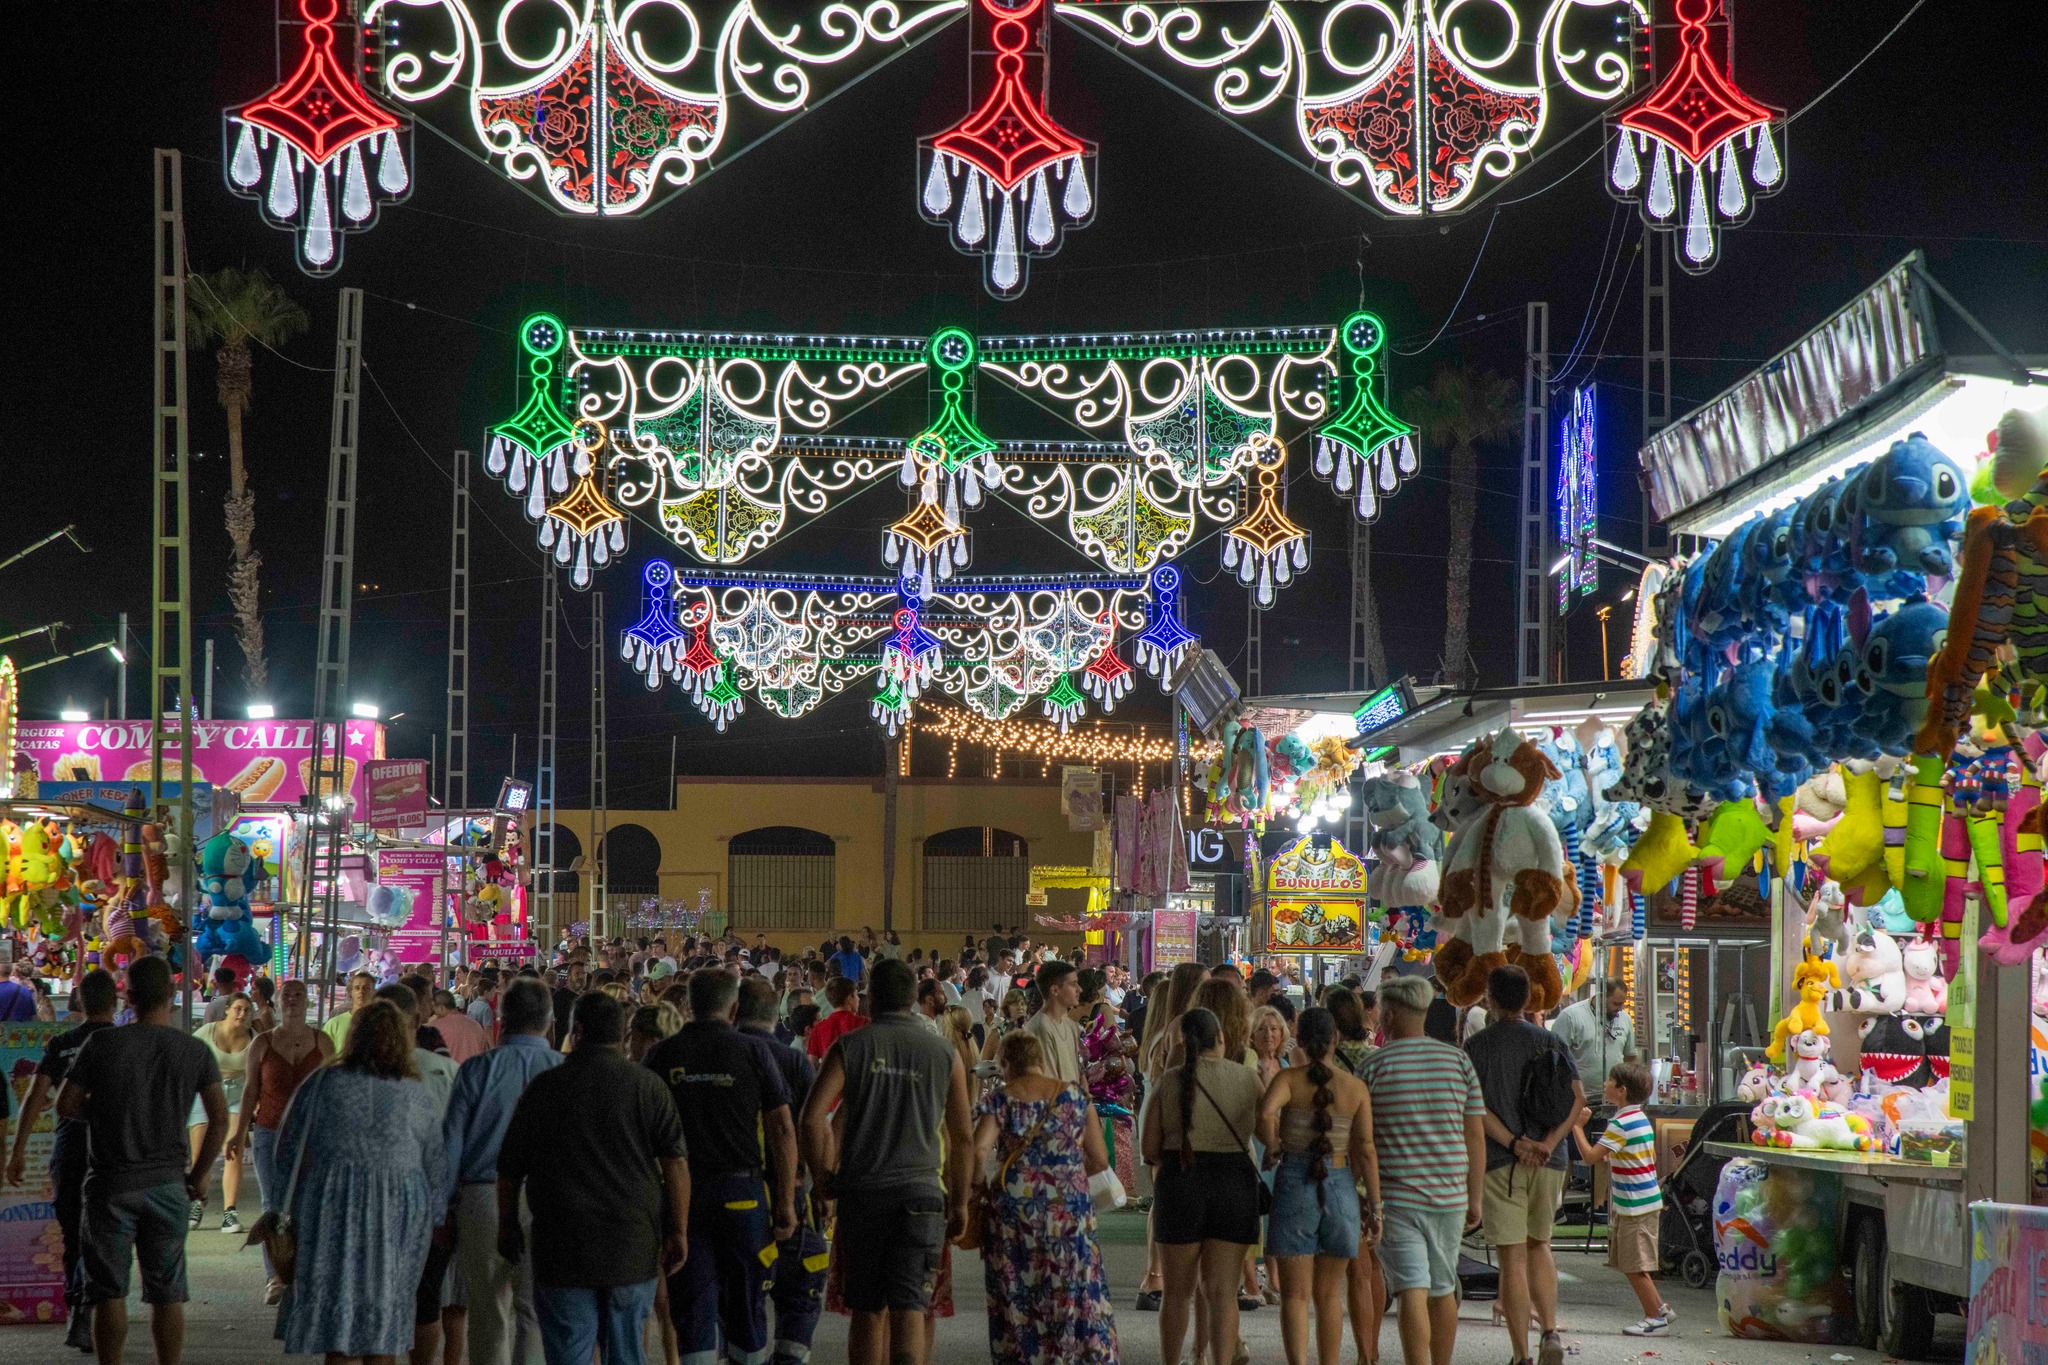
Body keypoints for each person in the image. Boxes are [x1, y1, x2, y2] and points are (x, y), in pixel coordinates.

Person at [499, 991, 689, 1365]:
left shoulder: (545, 1087)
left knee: (569, 1352)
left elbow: (509, 1168)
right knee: (628, 1352)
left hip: (563, 1247)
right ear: (622, 1034)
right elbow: (676, 1164)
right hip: (632, 1246)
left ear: (577, 1030)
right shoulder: (648, 1087)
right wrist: (678, 1229)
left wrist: (507, 1225)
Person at [798, 958, 971, 1365]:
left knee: (867, 1308)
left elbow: (811, 1118)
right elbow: (963, 1137)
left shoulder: (852, 1046)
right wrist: (960, 1200)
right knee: (911, 1305)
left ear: (870, 997)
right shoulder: (944, 1052)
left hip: (863, 1196)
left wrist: (822, 1183)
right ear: (915, 998)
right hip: (923, 1194)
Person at [58, 955, 228, 1365]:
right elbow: (221, 1119)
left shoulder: (101, 1044)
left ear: (128, 997)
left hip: (110, 1185)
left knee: (108, 1292)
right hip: (169, 1186)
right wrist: (200, 1174)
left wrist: (104, 1113)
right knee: (168, 1293)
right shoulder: (195, 1050)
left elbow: (65, 1104)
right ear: (172, 995)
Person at [264, 999, 448, 1362]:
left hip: (332, 1205)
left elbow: (286, 1149)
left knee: (340, 1321)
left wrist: (283, 1207)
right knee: (384, 1319)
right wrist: (437, 1216)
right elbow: (434, 1163)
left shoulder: (321, 1083)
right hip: (399, 1212)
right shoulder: (414, 1094)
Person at [644, 969, 798, 1365]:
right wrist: (785, 1202)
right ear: (734, 1009)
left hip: (683, 1196)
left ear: (690, 1006)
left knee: (691, 1299)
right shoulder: (753, 1052)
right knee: (748, 1299)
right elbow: (781, 1127)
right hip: (742, 1195)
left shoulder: (662, 1055)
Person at [1357, 974, 1486, 1365]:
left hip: (1397, 1197)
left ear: (1390, 1015)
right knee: (1442, 1287)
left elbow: (1363, 1142)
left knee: (1411, 1287)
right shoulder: (1457, 1060)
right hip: (1449, 1196)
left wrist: (1369, 1201)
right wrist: (1474, 1196)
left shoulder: (1373, 1066)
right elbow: (1475, 1134)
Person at [971, 1030, 1119, 1364]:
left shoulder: (1001, 1098)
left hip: (1014, 1212)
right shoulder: (1076, 1098)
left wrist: (976, 1189)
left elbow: (979, 1149)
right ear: (1040, 1060)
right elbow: (1099, 1159)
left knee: (1017, 1291)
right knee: (1073, 1285)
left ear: (1006, 1063)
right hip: (1069, 1210)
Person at [1465, 966, 1585, 1365]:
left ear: (1490, 999)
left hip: (1501, 1162)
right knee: (1541, 1246)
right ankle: (1549, 1330)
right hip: (1551, 1161)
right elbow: (1577, 1101)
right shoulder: (1552, 1041)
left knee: (1511, 1257)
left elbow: (1475, 1108)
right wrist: (1549, 1143)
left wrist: (1517, 1144)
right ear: (1529, 999)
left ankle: (1521, 1355)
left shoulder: (1477, 1047)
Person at [443, 977, 565, 1365]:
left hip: (482, 1199)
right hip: (549, 1203)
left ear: (501, 1017)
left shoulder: (477, 1070)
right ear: (549, 1020)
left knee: (487, 1311)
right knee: (533, 1313)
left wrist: (441, 1210)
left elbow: (450, 1149)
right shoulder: (563, 1071)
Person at [1259, 1008, 1380, 1365]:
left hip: (1296, 1179)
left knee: (1295, 1295)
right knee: (1329, 1295)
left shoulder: (1288, 1081)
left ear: (1300, 1038)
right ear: (1334, 1040)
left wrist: (1274, 1145)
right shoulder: (1355, 1088)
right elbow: (1368, 1150)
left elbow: (1265, 1112)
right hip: (1341, 1184)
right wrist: (1376, 1207)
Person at [1143, 1007, 1262, 1365]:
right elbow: (1269, 1135)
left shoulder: (1169, 1081)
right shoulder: (1247, 1078)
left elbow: (1150, 1148)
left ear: (1182, 1042)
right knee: (1223, 1292)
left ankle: (1172, 1361)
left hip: (1181, 1180)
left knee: (1177, 1293)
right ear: (1221, 1039)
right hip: (1234, 1184)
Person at [6, 966, 117, 1351]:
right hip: (118, 1151)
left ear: (78, 1002)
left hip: (70, 1147)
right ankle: (98, 1307)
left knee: (73, 1233)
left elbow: (34, 1099)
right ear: (115, 1002)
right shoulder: (125, 1042)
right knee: (108, 1235)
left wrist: (17, 1151)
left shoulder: (62, 1043)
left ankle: (77, 1308)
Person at [737, 977, 827, 1365]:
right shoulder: (792, 1061)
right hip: (792, 1198)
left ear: (734, 1012)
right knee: (801, 1290)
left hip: (738, 1199)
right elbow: (811, 1126)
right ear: (777, 1019)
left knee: (743, 1296)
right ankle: (790, 1357)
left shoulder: (727, 1056)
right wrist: (819, 1186)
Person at [228, 978, 334, 1303]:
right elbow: (250, 1091)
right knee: (273, 1203)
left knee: (306, 1204)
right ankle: (274, 1276)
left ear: (307, 1001)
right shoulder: (262, 1043)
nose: (292, 1000)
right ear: (280, 1000)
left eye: (299, 995)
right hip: (269, 1132)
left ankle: (302, 1274)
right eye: (287, 995)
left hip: (311, 1136)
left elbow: (333, 1090)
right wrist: (238, 1131)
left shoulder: (323, 1042)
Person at [1570, 1062, 1670, 1337]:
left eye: (1610, 1081)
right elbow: (1620, 1155)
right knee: (1633, 1262)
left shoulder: (1620, 1123)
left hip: (1636, 1204)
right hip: (1642, 1200)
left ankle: (1655, 1317)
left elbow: (1590, 1157)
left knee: (1634, 1265)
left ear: (1621, 1091)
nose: (1605, 1084)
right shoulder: (1639, 1119)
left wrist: (1576, 1127)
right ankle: (1659, 1308)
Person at [186, 992, 253, 1233]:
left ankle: (230, 1212)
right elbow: (188, 1056)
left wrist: (253, 1107)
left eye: (246, 1010)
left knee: (232, 1152)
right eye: (238, 1008)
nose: (242, 1014)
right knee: (201, 1153)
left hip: (236, 1094)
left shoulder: (253, 1039)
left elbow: (255, 1077)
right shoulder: (208, 1033)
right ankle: (197, 1203)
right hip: (206, 1091)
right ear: (227, 1010)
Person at [1549, 980, 1638, 1101]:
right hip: (1578, 1098)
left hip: (1614, 1098)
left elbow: (1630, 1058)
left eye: (1623, 1003)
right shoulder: (1570, 1016)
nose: (1620, 1008)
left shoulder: (1625, 1018)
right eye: (1616, 1004)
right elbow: (1555, 1058)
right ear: (1601, 996)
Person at [1023, 960, 1085, 1086]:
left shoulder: (1070, 1025)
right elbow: (1050, 1084)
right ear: (1055, 990)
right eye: (1073, 984)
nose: (1080, 989)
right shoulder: (1040, 1027)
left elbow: (1077, 1075)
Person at [805, 976, 864, 1062]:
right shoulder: (864, 1023)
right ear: (849, 998)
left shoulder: (818, 1029)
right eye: (856, 995)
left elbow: (812, 1064)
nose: (858, 999)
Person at [321, 969, 378, 1051]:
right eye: (357, 988)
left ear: (373, 992)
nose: (361, 991)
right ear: (351, 992)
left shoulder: (380, 1023)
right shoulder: (334, 1024)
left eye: (366, 988)